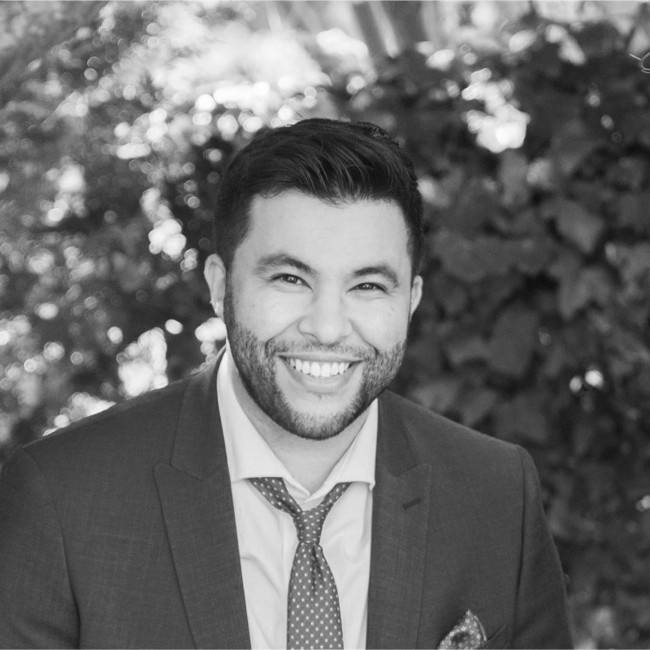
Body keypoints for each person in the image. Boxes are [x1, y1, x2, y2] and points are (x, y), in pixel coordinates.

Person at [0, 118, 573, 649]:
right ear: (221, 286)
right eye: (290, 278)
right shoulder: (61, 500)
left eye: (368, 286)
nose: (328, 328)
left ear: (412, 300)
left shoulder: (497, 494)